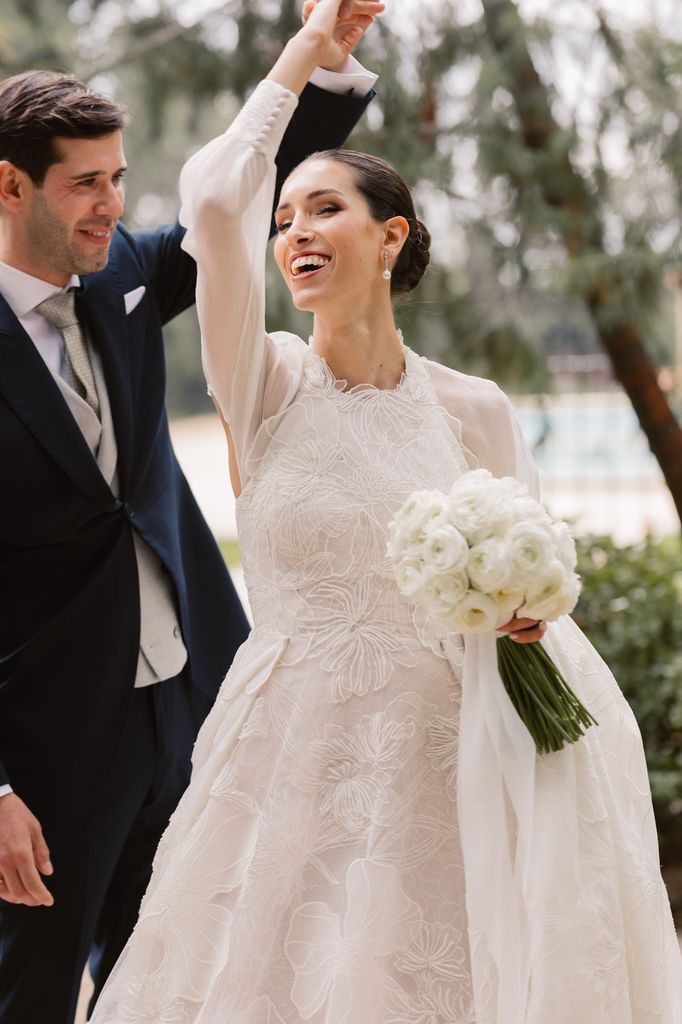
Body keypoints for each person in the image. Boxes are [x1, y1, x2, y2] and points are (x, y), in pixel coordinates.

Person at [91, 0, 682, 1020]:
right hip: (288, 759)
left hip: (448, 762)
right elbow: (218, 205)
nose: (294, 233)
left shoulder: (475, 409)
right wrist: (301, 60)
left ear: (389, 234)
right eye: (288, 219)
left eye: (323, 209)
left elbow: (536, 598)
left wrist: (525, 613)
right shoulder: (262, 380)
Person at [0, 9, 381, 1021]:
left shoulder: (120, 272)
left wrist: (320, 68)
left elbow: (234, 194)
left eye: (117, 179)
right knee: (32, 990)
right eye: (86, 184)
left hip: (192, 704)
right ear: (9, 186)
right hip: (45, 749)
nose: (111, 205)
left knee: (187, 976)